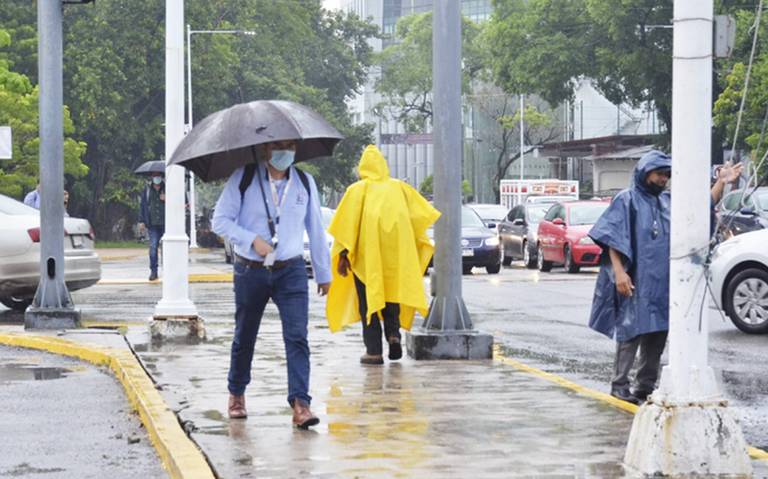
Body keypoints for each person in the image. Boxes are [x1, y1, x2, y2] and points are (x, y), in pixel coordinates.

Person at [588, 151, 743, 405]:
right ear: (645, 171)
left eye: (667, 175)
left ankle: (644, 387)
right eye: (660, 174)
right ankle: (619, 385)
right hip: (636, 278)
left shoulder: (668, 201)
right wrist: (619, 272)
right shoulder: (626, 200)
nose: (664, 179)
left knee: (657, 332)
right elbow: (612, 238)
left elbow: (703, 205)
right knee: (631, 331)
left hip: (663, 282)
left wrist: (722, 182)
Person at [212, 139, 331, 428]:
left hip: (290, 270)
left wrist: (323, 271)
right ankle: (236, 393)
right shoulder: (245, 177)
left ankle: (301, 403)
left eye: (290, 145)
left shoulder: (304, 182)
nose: (285, 151)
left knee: (297, 337)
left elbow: (316, 227)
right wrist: (251, 240)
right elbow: (220, 221)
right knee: (245, 336)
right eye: (278, 145)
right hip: (250, 270)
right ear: (266, 149)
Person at [326, 145, 440, 364]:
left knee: (368, 302)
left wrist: (342, 257)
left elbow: (345, 228)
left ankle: (374, 350)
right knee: (392, 298)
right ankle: (394, 335)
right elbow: (420, 218)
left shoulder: (357, 190)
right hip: (396, 259)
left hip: (365, 260)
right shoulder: (400, 188)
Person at [139, 172, 165, 281]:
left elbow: (180, 202)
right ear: (152, 177)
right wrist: (141, 221)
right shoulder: (147, 190)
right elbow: (143, 205)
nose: (157, 178)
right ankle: (154, 271)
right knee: (153, 247)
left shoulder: (168, 188)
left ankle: (168, 270)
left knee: (167, 249)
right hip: (152, 224)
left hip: (166, 224)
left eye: (158, 176)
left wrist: (167, 199)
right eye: (155, 176)